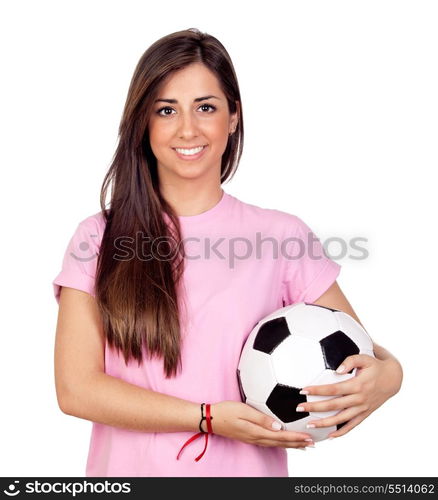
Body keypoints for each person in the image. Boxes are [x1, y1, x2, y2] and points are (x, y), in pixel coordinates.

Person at [52, 28, 403, 478]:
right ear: (144, 122)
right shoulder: (98, 238)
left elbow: (352, 350)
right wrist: (207, 417)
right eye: (165, 110)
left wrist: (390, 377)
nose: (187, 129)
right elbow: (76, 390)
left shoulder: (282, 236)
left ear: (233, 116)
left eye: (206, 107)